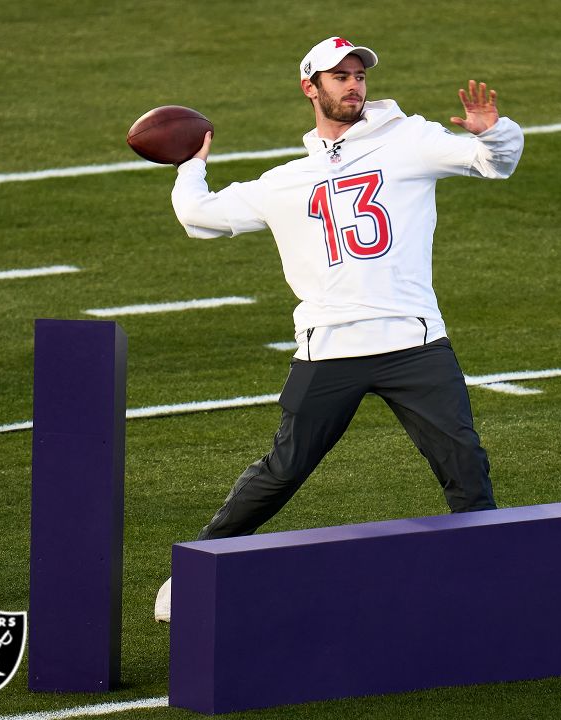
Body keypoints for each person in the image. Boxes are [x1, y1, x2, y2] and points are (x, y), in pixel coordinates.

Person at [153, 36, 523, 622]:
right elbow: (200, 218)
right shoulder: (286, 179)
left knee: (464, 464)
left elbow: (495, 163)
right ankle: (195, 570)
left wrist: (490, 132)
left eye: (359, 75)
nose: (354, 84)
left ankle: (490, 580)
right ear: (311, 88)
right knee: (282, 471)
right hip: (329, 347)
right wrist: (190, 165)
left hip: (413, 343)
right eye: (339, 76)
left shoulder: (410, 140)